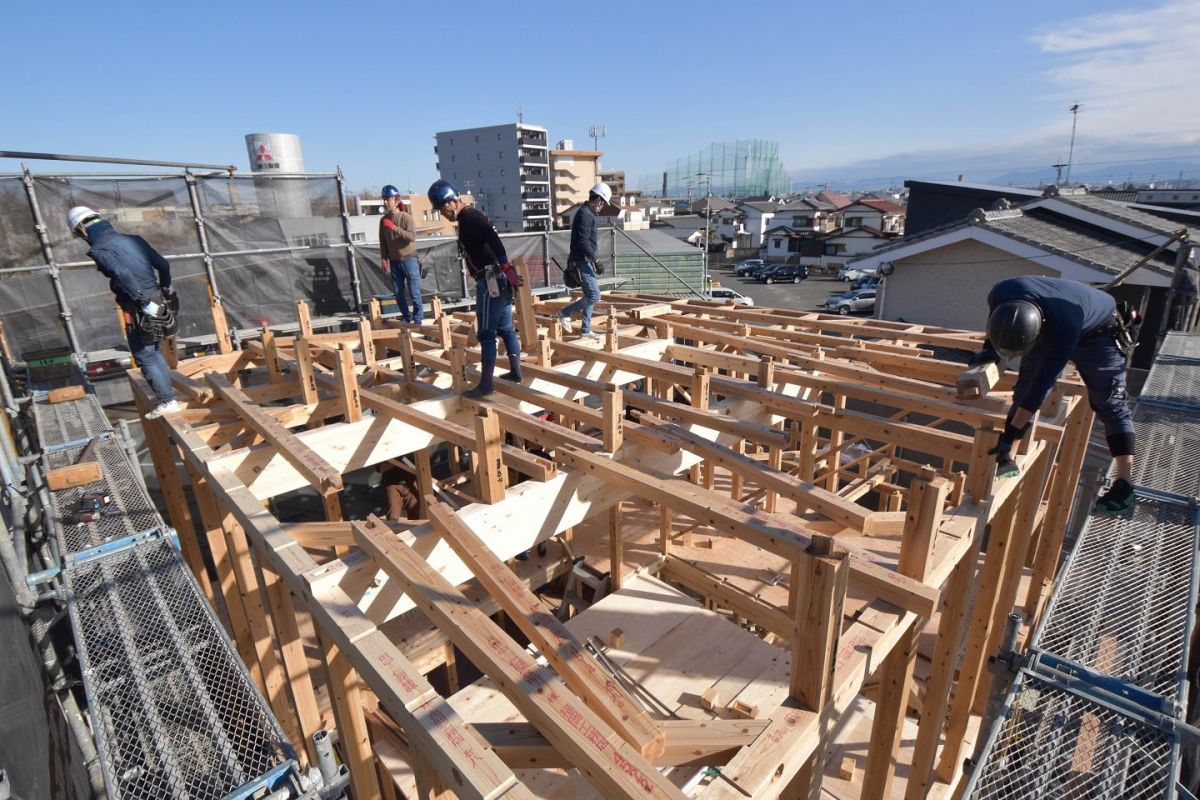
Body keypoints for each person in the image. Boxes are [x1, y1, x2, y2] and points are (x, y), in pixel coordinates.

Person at [971, 275, 1139, 514]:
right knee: (1023, 388)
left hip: (1099, 334)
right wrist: (989, 351)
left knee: (1110, 403)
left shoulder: (1064, 328)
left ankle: (1125, 484)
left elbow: (1040, 388)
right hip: (1049, 318)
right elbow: (995, 328)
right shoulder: (1001, 292)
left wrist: (1008, 432)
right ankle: (1009, 456)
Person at [68, 206, 179, 419]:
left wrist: (142, 302)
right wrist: (166, 288)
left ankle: (167, 400)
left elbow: (123, 272)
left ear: (82, 229)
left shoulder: (99, 250)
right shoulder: (134, 239)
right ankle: (168, 397)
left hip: (140, 306)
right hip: (155, 297)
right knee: (154, 350)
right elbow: (163, 265)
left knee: (145, 354)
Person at [426, 179, 524, 398]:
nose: (442, 214)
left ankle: (486, 385)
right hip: (496, 278)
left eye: (442, 208)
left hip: (491, 280)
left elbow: (493, 238)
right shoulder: (470, 218)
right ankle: (516, 372)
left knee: (486, 333)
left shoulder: (470, 218)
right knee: (506, 328)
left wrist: (505, 265)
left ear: (452, 202)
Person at [560, 182, 615, 339]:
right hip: (581, 261)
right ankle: (565, 313)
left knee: (590, 294)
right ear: (598, 199)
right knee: (594, 295)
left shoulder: (587, 213)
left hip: (584, 260)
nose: (602, 206)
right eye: (603, 203)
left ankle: (585, 330)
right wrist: (596, 260)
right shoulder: (585, 214)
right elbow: (583, 241)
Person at [379, 185, 422, 324]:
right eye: (383, 199)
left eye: (387, 199)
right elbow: (383, 242)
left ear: (396, 200)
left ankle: (418, 318)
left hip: (409, 259)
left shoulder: (406, 217)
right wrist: (384, 258)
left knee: (414, 291)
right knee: (398, 293)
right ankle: (405, 316)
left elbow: (411, 237)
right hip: (395, 261)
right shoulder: (383, 220)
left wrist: (393, 227)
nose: (385, 202)